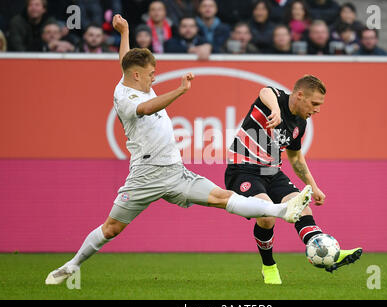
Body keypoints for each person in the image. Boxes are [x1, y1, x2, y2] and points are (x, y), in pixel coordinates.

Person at [45, 14, 313, 285]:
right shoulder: (127, 98)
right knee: (111, 229)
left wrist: (124, 32)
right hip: (145, 175)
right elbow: (147, 108)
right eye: (151, 74)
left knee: (223, 197)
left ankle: (282, 211)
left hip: (174, 172)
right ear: (138, 75)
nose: (154, 77)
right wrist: (181, 90)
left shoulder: (133, 80)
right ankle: (71, 266)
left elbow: (126, 62)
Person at [225, 75, 363, 284]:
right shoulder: (274, 100)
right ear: (299, 95)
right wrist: (276, 111)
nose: (317, 109)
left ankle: (329, 252)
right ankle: (269, 267)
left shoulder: (301, 122)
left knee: (302, 207)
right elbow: (265, 91)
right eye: (314, 103)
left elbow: (296, 158)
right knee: (266, 214)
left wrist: (313, 187)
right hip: (243, 169)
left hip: (271, 172)